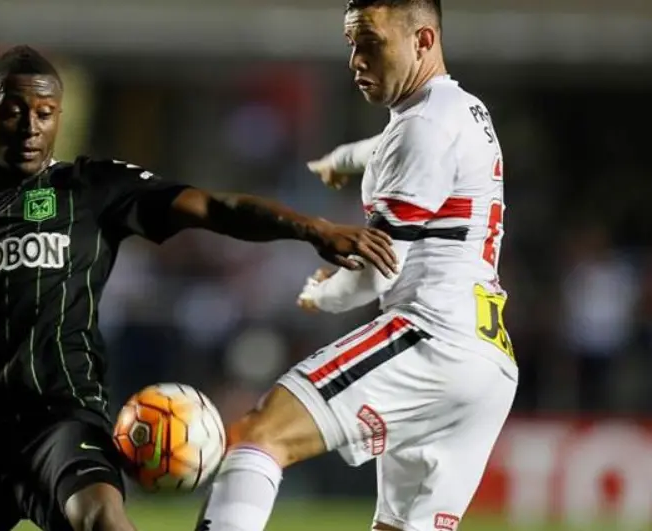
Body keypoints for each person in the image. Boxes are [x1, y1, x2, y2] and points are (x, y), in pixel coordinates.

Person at [0, 46, 398, 531]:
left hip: (60, 424)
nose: (31, 126)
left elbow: (212, 206)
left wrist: (311, 228)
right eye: (15, 110)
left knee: (100, 520)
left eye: (46, 112)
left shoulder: (89, 188)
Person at [194, 1, 518, 530]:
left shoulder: (426, 126)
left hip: (432, 336)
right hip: (487, 360)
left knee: (259, 435)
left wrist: (321, 295)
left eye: (371, 43)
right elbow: (401, 148)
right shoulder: (460, 110)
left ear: (423, 41)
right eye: (352, 45)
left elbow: (378, 269)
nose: (356, 60)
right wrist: (348, 159)